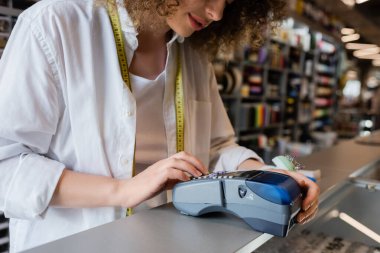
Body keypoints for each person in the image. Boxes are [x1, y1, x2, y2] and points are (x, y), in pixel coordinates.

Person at [0, 0, 319, 251]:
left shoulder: (195, 56)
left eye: (230, 1)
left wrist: (262, 172)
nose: (217, 12)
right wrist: (122, 190)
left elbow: (218, 149)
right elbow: (7, 164)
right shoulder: (54, 25)